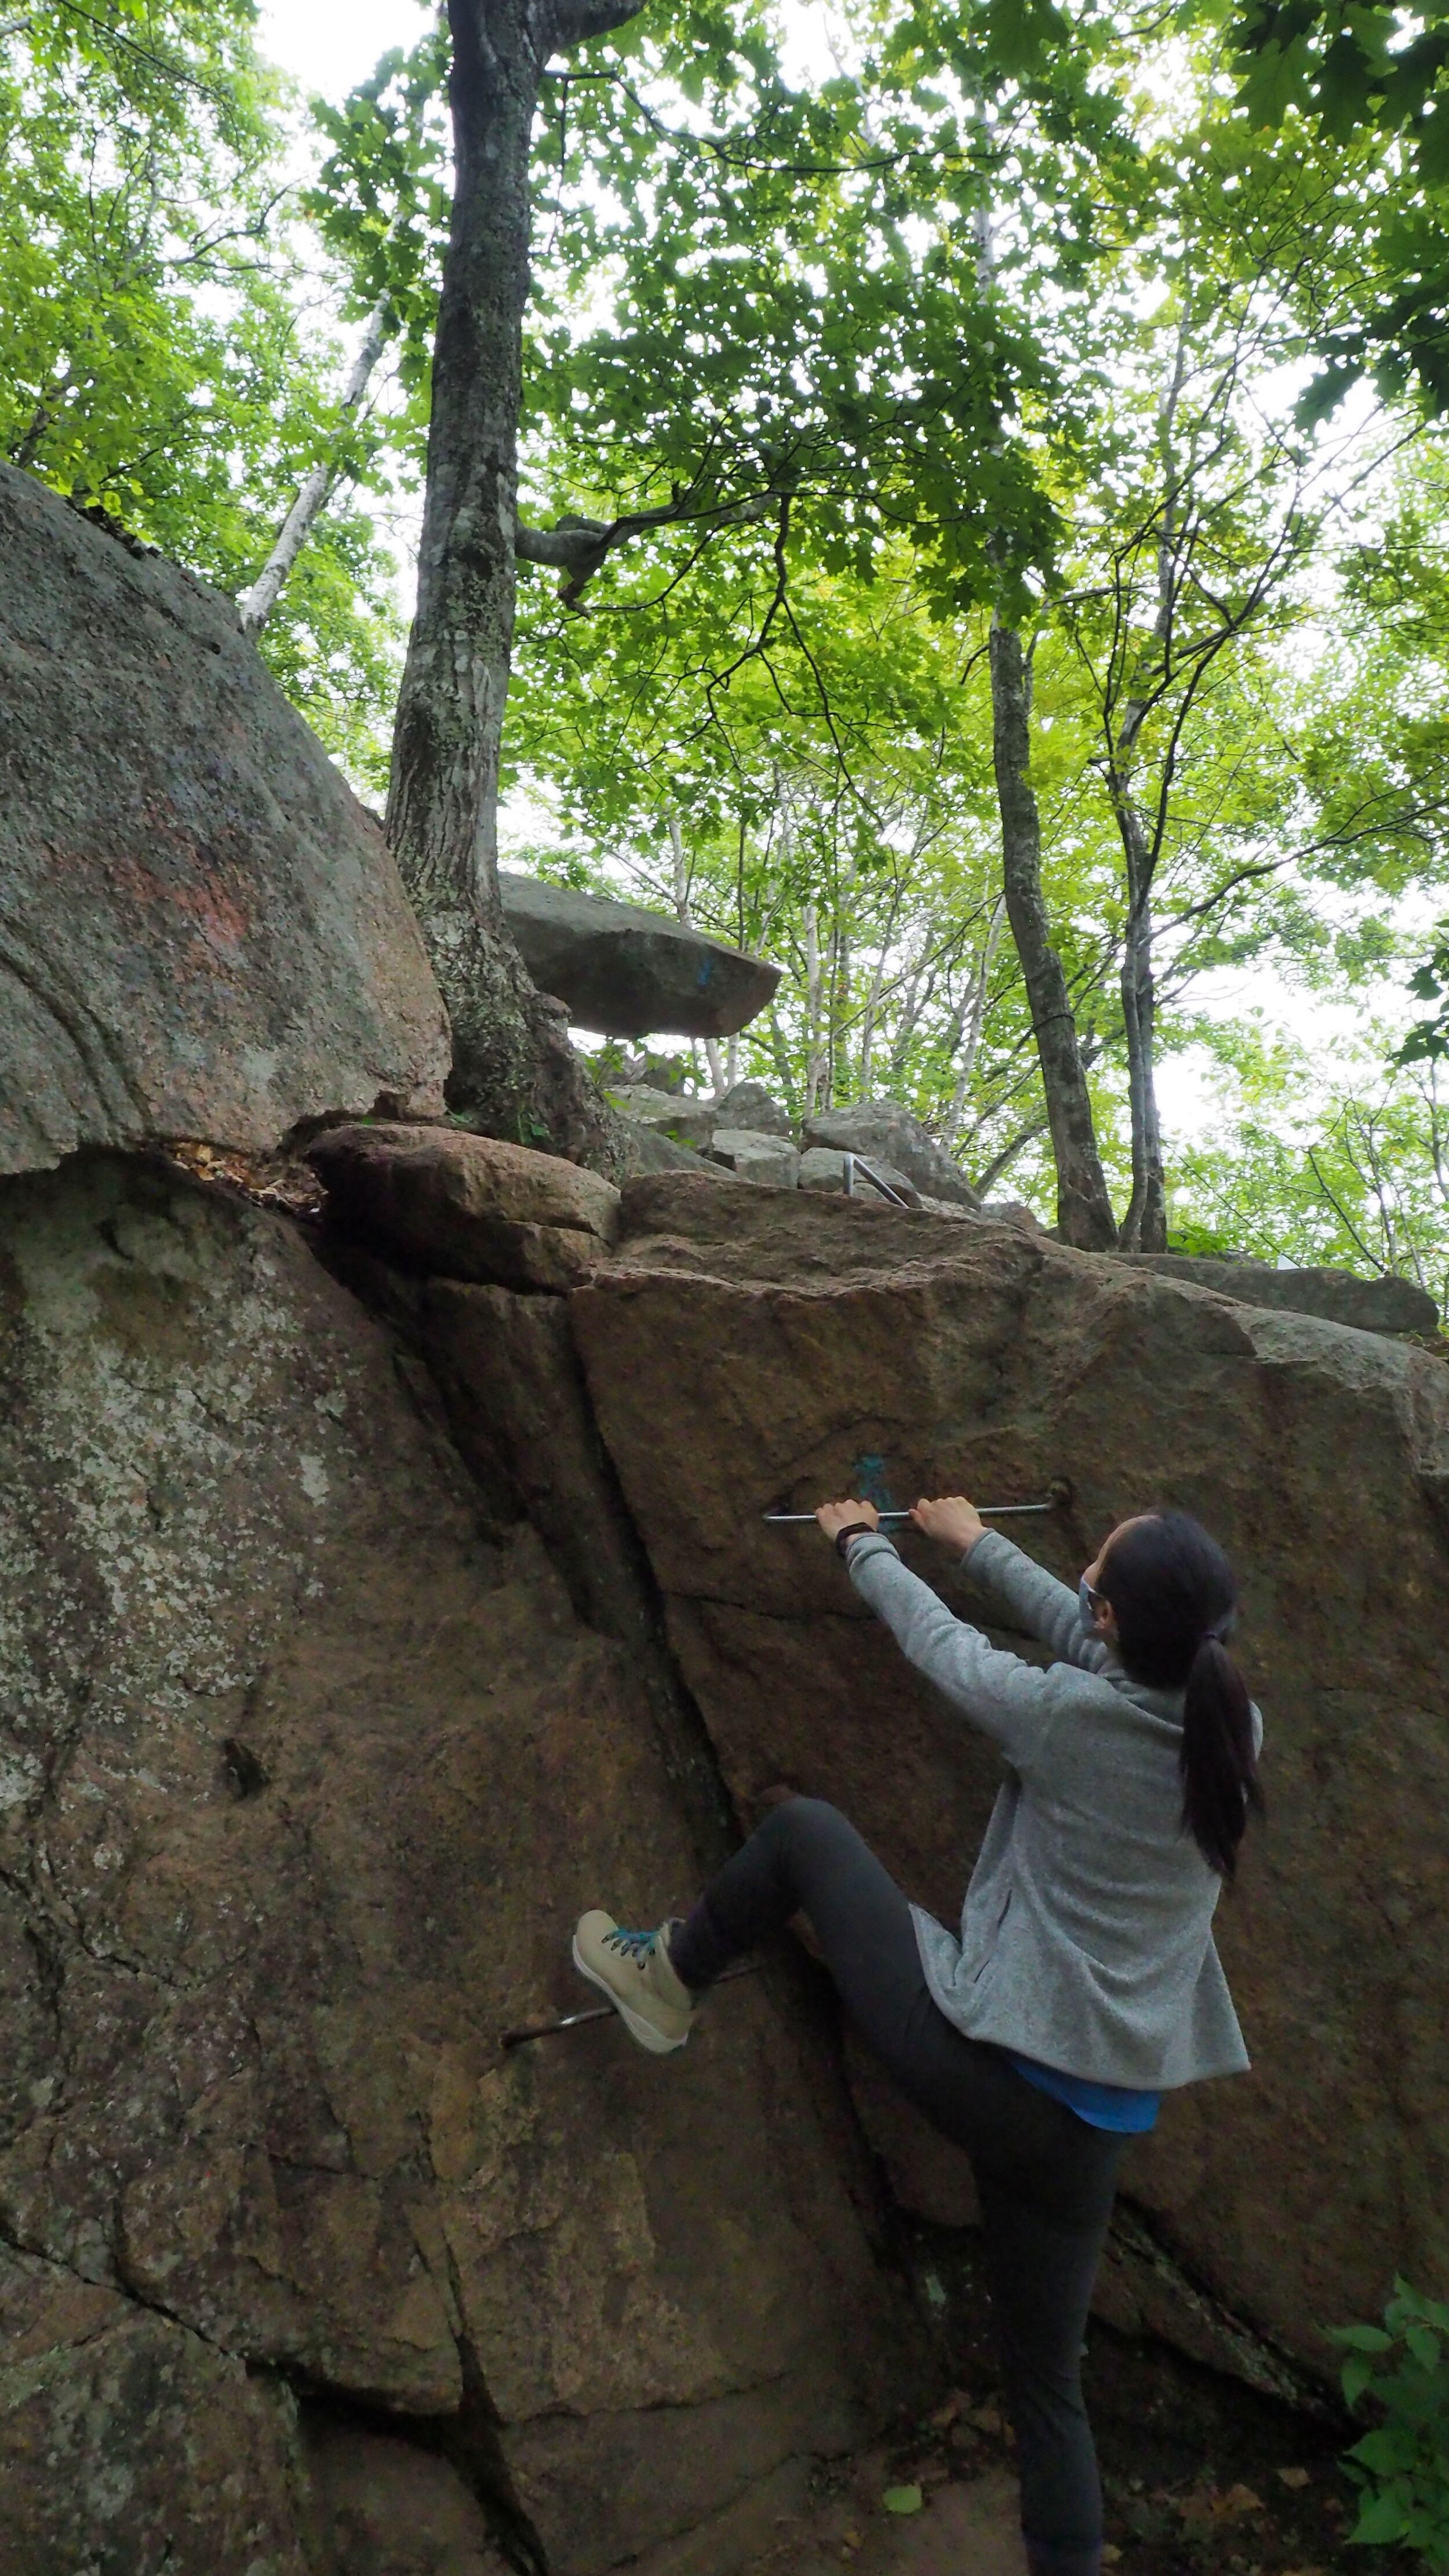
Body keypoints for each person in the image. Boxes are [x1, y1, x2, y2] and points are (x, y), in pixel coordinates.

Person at [573, 1496, 1265, 2576]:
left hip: (991, 2079)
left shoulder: (1070, 1723)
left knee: (806, 1833)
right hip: (1090, 2136)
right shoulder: (1227, 1723)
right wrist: (978, 1545)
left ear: (1121, 1619)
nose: (1079, 1580)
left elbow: (948, 1653)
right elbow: (1095, 1640)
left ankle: (664, 1977)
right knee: (1048, 2384)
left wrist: (865, 1545)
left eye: (1093, 1572)